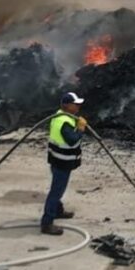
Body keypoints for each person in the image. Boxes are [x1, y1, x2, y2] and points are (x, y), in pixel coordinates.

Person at [41, 92, 88, 235]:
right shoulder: (65, 122)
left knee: (58, 187)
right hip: (62, 162)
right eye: (75, 104)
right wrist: (80, 129)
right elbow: (72, 140)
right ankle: (47, 223)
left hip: (56, 159)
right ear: (67, 105)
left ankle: (58, 211)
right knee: (56, 192)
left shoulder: (59, 116)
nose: (78, 106)